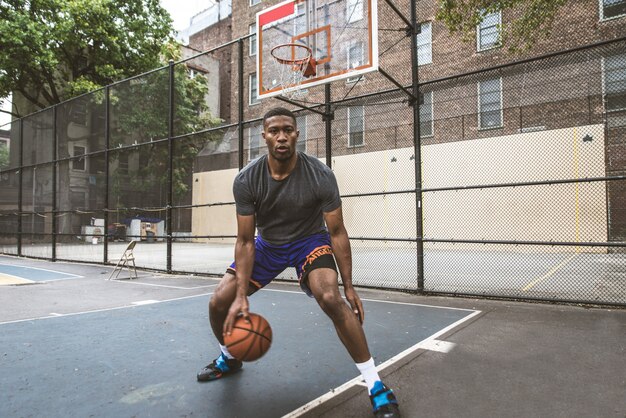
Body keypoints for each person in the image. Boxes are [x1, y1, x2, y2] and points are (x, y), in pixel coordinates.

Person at [197, 107, 400, 418]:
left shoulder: (320, 175)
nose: (281, 136)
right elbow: (245, 240)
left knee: (331, 298)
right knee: (218, 302)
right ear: (263, 136)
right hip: (267, 245)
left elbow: (337, 231)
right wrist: (240, 297)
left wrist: (349, 285)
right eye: (274, 130)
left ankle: (375, 385)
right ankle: (229, 356)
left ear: (296, 134)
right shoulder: (247, 180)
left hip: (309, 241)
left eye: (287, 130)